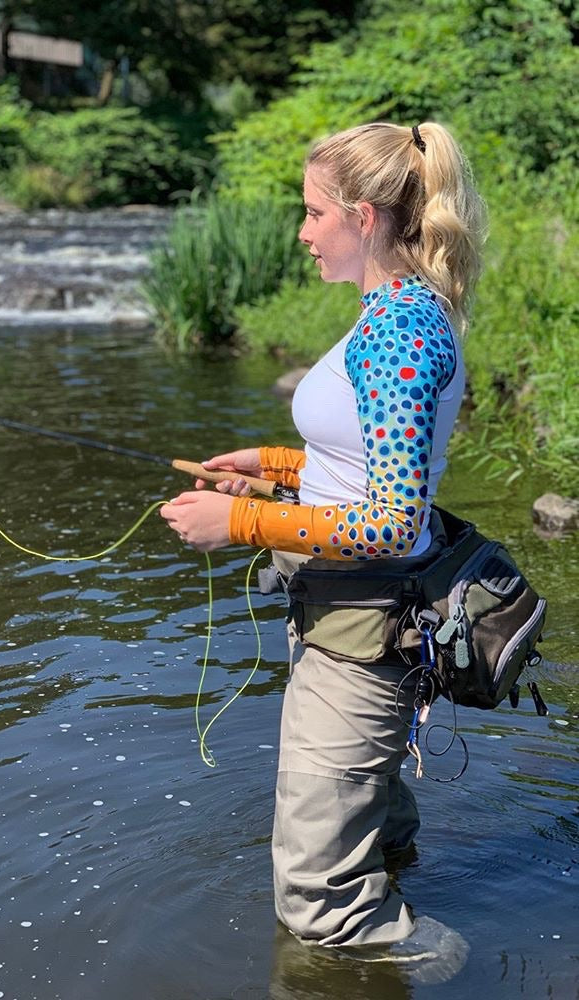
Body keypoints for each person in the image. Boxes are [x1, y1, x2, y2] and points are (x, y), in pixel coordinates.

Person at [160, 121, 486, 970]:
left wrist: (240, 524)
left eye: (312, 214)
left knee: (319, 902)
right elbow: (362, 461)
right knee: (373, 830)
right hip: (342, 617)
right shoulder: (389, 312)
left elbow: (389, 520)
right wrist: (270, 468)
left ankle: (456, 969)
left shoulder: (402, 330)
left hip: (366, 634)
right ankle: (394, 871)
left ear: (366, 217)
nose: (301, 234)